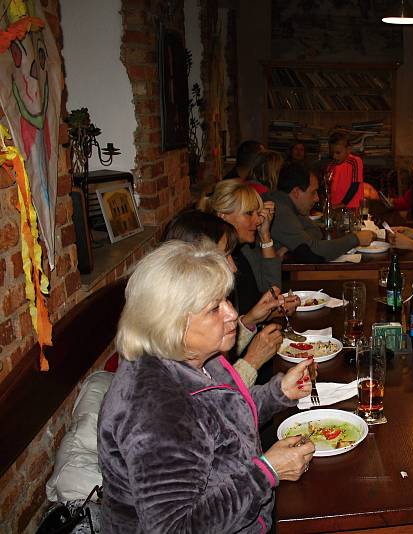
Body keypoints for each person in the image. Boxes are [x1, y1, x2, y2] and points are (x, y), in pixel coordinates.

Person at [98, 241, 316, 532]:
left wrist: (278, 393)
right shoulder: (155, 410)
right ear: (171, 322)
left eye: (226, 299)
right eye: (214, 308)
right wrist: (267, 472)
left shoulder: (192, 354)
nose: (231, 313)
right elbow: (176, 528)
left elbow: (219, 423)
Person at [162, 209, 293, 387]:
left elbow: (219, 361)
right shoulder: (175, 326)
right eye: (224, 256)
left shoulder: (186, 302)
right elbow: (214, 403)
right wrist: (252, 362)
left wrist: (250, 320)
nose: (233, 267)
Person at [198, 180, 282, 312]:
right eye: (249, 213)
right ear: (223, 216)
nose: (259, 220)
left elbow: (272, 291)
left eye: (258, 213)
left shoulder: (244, 249)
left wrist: (265, 235)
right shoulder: (208, 260)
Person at [270, 161, 374, 262]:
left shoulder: (287, 204)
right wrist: (356, 239)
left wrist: (293, 245)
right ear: (296, 192)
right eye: (313, 192)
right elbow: (314, 253)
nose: (317, 199)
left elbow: (315, 230)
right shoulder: (280, 211)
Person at [326, 131, 364, 209]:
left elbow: (354, 186)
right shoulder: (330, 165)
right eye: (332, 153)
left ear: (348, 150)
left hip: (352, 207)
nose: (334, 156)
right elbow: (328, 187)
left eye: (338, 153)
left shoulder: (355, 161)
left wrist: (342, 204)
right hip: (335, 207)